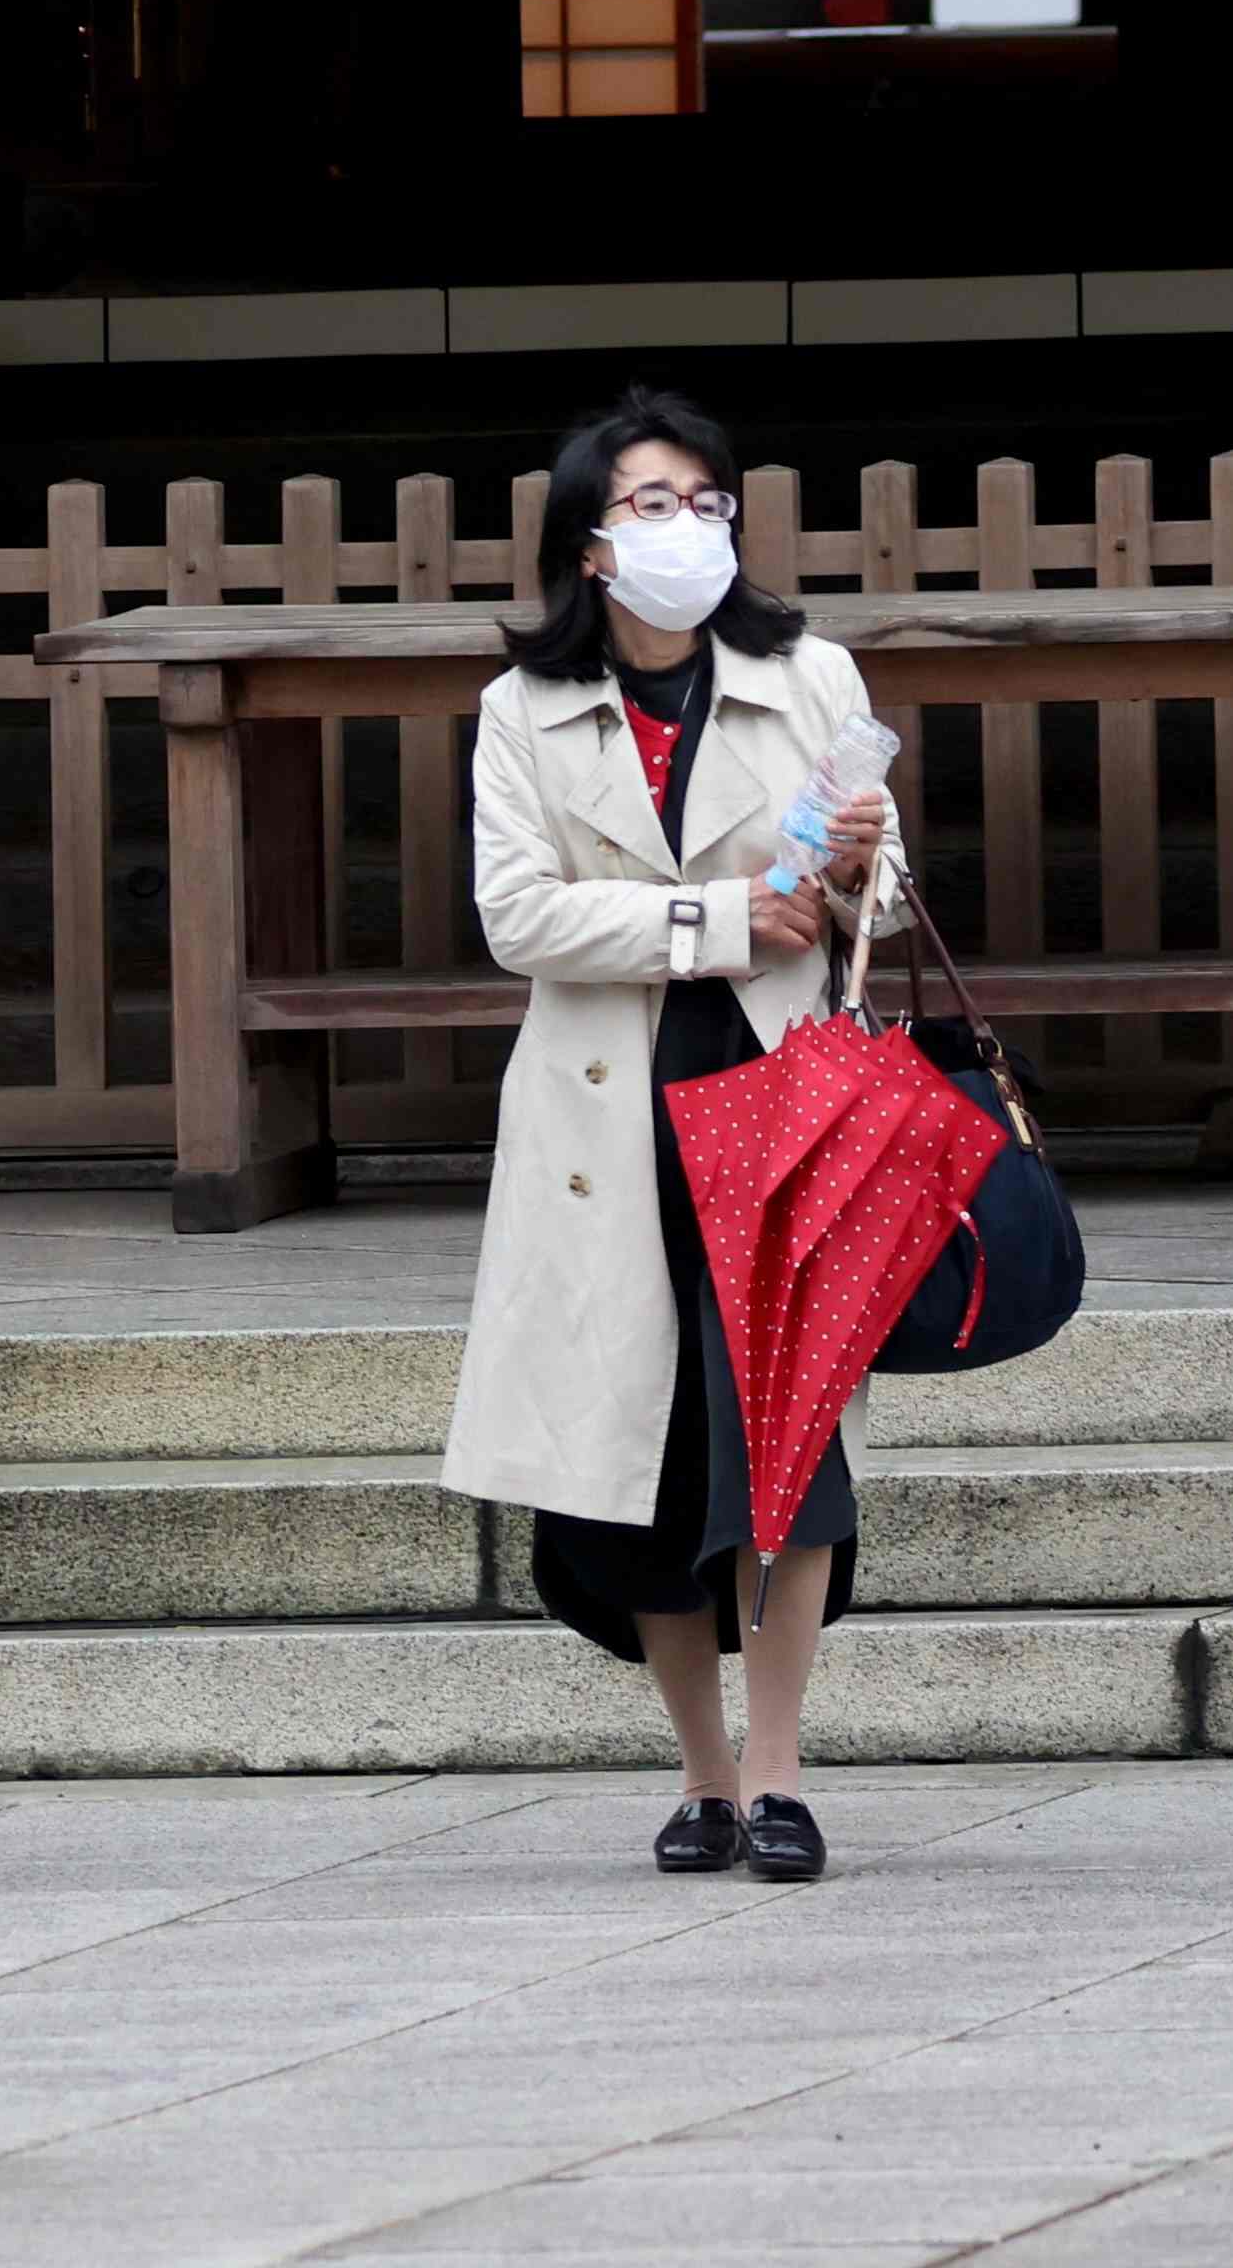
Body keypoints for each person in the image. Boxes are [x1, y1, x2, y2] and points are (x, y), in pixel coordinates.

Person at [444, 389, 894, 1880]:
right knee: (643, 1455)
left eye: (705, 504)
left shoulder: (807, 671)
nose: (684, 529)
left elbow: (868, 914)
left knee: (788, 1440)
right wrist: (708, 918)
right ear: (589, 544)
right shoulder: (526, 713)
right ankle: (701, 1774)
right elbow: (518, 915)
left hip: (778, 1093)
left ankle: (780, 1773)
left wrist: (859, 869)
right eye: (650, 505)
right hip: (607, 1115)